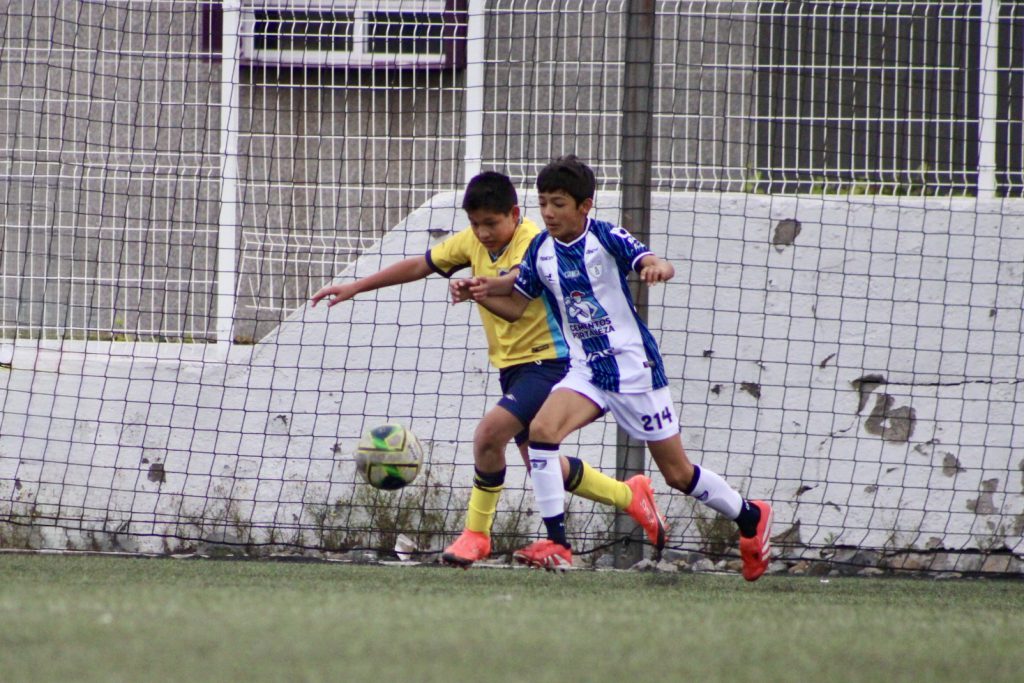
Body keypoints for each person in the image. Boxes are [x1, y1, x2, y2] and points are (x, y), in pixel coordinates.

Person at [311, 170, 666, 568]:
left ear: (514, 214)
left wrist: (480, 289)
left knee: (488, 436)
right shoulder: (473, 240)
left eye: (491, 224)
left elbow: (515, 293)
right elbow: (420, 265)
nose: (482, 233)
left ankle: (476, 535)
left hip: (551, 361)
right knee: (542, 463)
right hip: (512, 367)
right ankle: (629, 496)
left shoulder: (534, 241)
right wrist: (355, 286)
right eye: (475, 224)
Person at [454, 156, 773, 579]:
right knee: (542, 432)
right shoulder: (540, 249)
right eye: (543, 203)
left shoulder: (605, 236)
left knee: (678, 474)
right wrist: (479, 293)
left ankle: (750, 516)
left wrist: (657, 268)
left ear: (584, 205)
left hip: (634, 369)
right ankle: (557, 544)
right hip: (586, 370)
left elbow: (652, 260)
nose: (549, 212)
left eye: (559, 204)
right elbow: (516, 305)